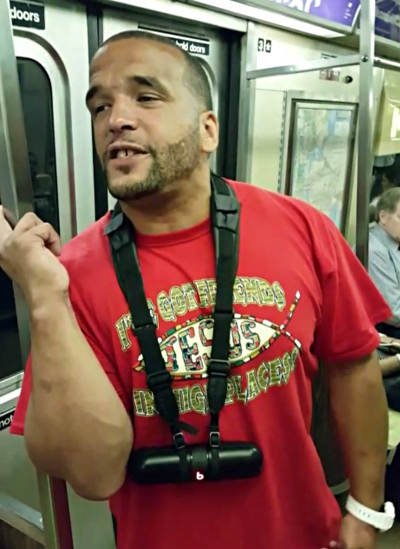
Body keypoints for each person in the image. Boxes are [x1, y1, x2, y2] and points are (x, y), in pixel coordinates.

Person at [0, 31, 393, 549]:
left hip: (305, 534)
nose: (116, 118)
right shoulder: (72, 274)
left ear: (208, 130)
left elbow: (354, 365)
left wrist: (365, 510)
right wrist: (45, 297)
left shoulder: (301, 227)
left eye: (146, 96)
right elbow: (93, 477)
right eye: (99, 106)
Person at [369, 187, 400, 339]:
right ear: (383, 217)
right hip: (386, 327)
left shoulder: (394, 239)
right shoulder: (374, 250)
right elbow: (392, 312)